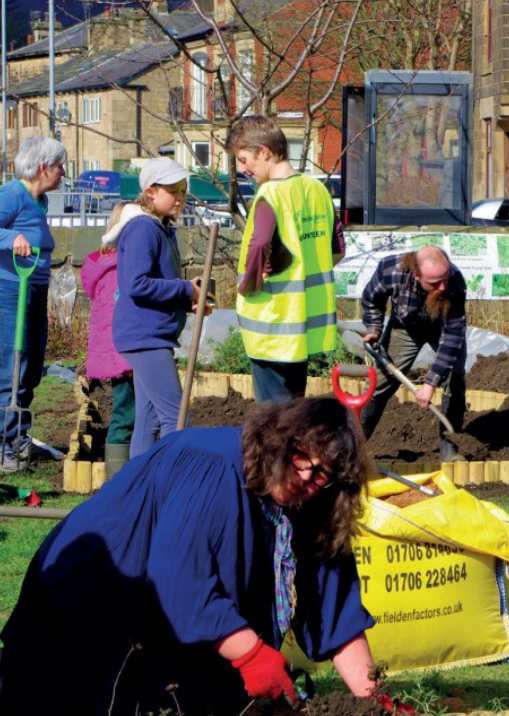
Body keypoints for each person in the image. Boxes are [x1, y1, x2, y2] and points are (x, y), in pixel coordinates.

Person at [0, 397, 414, 715]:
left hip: (160, 622)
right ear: (279, 440)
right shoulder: (214, 467)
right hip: (81, 606)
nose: (305, 475)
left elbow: (336, 609)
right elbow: (178, 581)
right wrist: (251, 654)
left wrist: (374, 701)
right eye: (301, 456)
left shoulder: (312, 502)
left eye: (322, 472)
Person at [230, 115, 344, 403]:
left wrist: (249, 285)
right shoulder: (317, 190)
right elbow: (337, 251)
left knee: (273, 417)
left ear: (264, 152)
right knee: (294, 411)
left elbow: (259, 245)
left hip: (272, 324)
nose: (242, 169)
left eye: (244, 160)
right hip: (304, 325)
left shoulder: (270, 194)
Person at [113, 159, 206, 458]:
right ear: (150, 192)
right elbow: (136, 284)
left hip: (149, 334)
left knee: (149, 420)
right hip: (145, 335)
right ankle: (167, 479)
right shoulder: (143, 228)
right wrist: (185, 289)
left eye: (183, 191)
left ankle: (139, 480)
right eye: (173, 191)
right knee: (176, 418)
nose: (180, 197)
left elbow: (157, 283)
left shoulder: (160, 228)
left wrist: (189, 299)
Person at [360, 245, 467, 460]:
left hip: (442, 328)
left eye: (444, 278)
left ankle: (449, 451)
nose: (442, 287)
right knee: (380, 382)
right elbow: (371, 299)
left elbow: (453, 337)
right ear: (417, 275)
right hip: (405, 328)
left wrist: (430, 383)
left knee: (454, 376)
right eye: (435, 283)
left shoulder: (454, 281)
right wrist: (374, 329)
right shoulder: (390, 270)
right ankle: (352, 447)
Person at [0, 136, 66, 472]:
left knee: (31, 366)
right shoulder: (12, 194)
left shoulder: (39, 200)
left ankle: (20, 437)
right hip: (11, 290)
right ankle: (6, 445)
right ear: (43, 168)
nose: (63, 173)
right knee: (11, 368)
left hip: (35, 288)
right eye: (60, 166)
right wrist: (12, 237)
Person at [80, 202, 139, 459]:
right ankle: (117, 469)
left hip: (116, 353)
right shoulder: (120, 269)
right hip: (124, 354)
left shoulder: (106, 266)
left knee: (128, 411)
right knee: (126, 414)